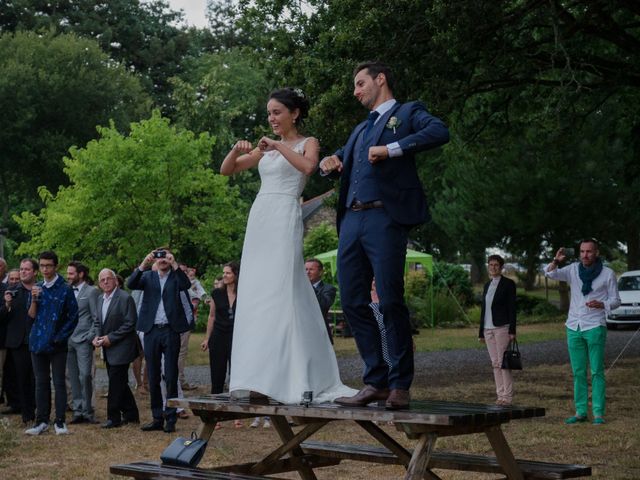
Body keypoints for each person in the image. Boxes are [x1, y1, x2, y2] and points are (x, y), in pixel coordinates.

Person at [319, 61, 449, 409]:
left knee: (390, 300)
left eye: (360, 83)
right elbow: (344, 161)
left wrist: (391, 149)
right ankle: (375, 379)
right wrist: (330, 162)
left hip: (385, 218)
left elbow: (439, 132)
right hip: (351, 221)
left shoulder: (408, 113)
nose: (356, 91)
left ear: (380, 79)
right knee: (351, 302)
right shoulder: (360, 130)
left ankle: (399, 384)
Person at [220, 87, 356, 404]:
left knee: (282, 287)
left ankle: (292, 375)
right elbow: (228, 169)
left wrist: (279, 146)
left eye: (277, 112)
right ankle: (259, 376)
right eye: (269, 113)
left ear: (294, 113)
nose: (271, 119)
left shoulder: (306, 143)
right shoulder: (265, 149)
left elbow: (309, 168)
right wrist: (235, 149)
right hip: (261, 217)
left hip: (284, 214)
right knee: (258, 292)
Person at [545, 239, 620, 425]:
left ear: (596, 253)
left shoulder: (607, 273)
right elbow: (548, 273)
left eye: (589, 251)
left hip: (595, 326)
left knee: (596, 371)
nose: (585, 255)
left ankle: (598, 414)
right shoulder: (572, 270)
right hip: (573, 326)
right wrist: (556, 260)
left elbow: (616, 300)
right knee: (578, 372)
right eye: (582, 251)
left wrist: (602, 304)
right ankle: (580, 412)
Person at [127, 248, 191, 433]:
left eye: (166, 257)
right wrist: (143, 264)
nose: (162, 260)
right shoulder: (148, 277)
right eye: (159, 257)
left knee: (170, 375)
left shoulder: (176, 277)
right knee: (153, 376)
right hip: (151, 330)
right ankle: (157, 418)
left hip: (170, 330)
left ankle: (171, 418)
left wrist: (175, 264)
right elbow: (131, 283)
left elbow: (186, 285)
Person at [25, 251, 79, 435]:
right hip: (37, 342)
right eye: (42, 266)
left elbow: (73, 317)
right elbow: (31, 315)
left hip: (57, 344)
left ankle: (60, 421)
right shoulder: (37, 286)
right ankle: (41, 421)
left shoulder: (65, 288)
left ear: (56, 266)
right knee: (41, 382)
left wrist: (59, 337)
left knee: (59, 382)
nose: (45, 269)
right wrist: (33, 298)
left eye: (49, 265)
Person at [93, 269, 140, 428]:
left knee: (115, 383)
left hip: (122, 347)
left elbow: (130, 323)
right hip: (107, 347)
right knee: (119, 382)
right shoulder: (100, 299)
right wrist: (97, 337)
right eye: (102, 280)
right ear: (99, 283)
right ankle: (132, 414)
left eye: (108, 279)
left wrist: (110, 338)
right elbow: (98, 322)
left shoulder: (125, 298)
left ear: (115, 281)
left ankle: (113, 418)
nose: (105, 282)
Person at [478, 255, 517, 406]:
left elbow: (512, 308)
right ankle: (499, 395)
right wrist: (481, 331)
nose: (493, 267)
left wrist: (512, 330)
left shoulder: (508, 284)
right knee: (495, 363)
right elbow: (484, 310)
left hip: (502, 327)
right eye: (491, 264)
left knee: (503, 363)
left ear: (501, 267)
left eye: (496, 265)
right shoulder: (487, 285)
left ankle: (507, 396)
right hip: (488, 328)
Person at [66, 261, 100, 424]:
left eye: (71, 273)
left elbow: (96, 317)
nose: (68, 276)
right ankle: (77, 410)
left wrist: (90, 336)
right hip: (68, 340)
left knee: (85, 375)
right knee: (72, 377)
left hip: (84, 340)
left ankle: (88, 411)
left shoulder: (92, 291)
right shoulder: (66, 290)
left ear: (81, 274)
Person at [305, 258, 337, 343]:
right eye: (305, 269)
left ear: (320, 272)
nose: (307, 272)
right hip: (301, 331)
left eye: (311, 269)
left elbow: (324, 305)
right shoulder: (299, 289)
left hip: (319, 332)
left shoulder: (329, 288)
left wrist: (309, 287)